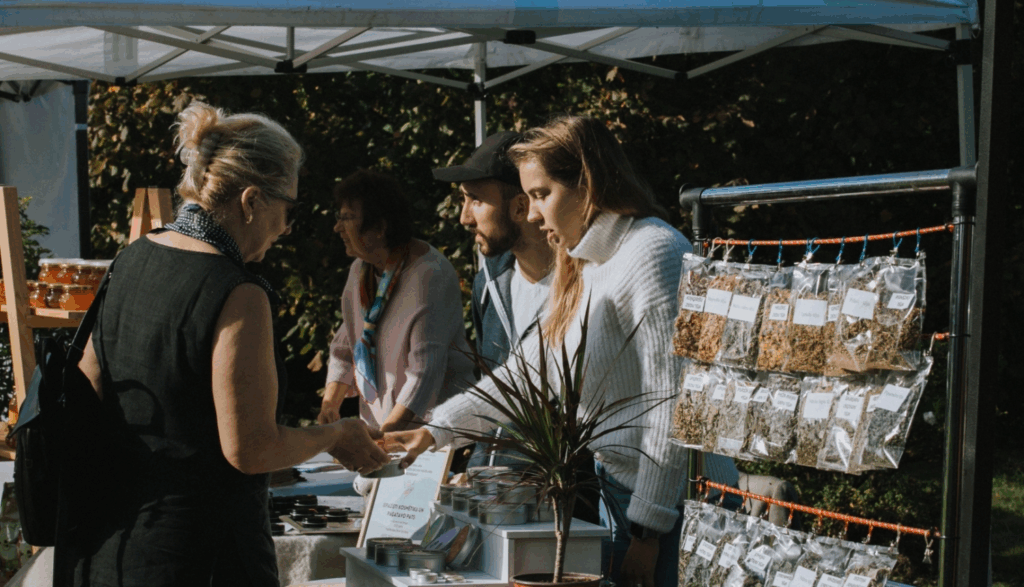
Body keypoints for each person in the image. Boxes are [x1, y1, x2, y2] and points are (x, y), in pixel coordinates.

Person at [386, 115, 739, 587]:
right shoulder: (586, 261)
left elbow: (673, 405)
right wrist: (435, 432)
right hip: (625, 498)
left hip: (678, 505)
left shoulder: (654, 252)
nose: (531, 214)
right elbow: (529, 372)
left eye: (540, 194)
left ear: (587, 185)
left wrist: (648, 530)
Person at [57, 101, 390, 587]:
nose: (284, 229)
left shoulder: (130, 260)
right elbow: (251, 448)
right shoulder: (238, 292)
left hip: (109, 544)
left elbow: (89, 390)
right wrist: (334, 436)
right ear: (252, 201)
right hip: (200, 554)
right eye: (287, 210)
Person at [318, 170, 475, 437]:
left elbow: (425, 374)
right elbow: (348, 343)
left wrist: (385, 438)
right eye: (339, 217)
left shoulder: (428, 275)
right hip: (386, 430)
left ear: (380, 227)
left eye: (347, 218)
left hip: (433, 437)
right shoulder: (361, 269)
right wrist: (329, 405)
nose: (337, 228)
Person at [432, 131, 554, 470]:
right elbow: (491, 392)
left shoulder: (583, 286)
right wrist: (478, 474)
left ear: (520, 206)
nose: (465, 218)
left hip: (572, 500)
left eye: (476, 201)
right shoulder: (488, 283)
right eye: (463, 200)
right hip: (497, 491)